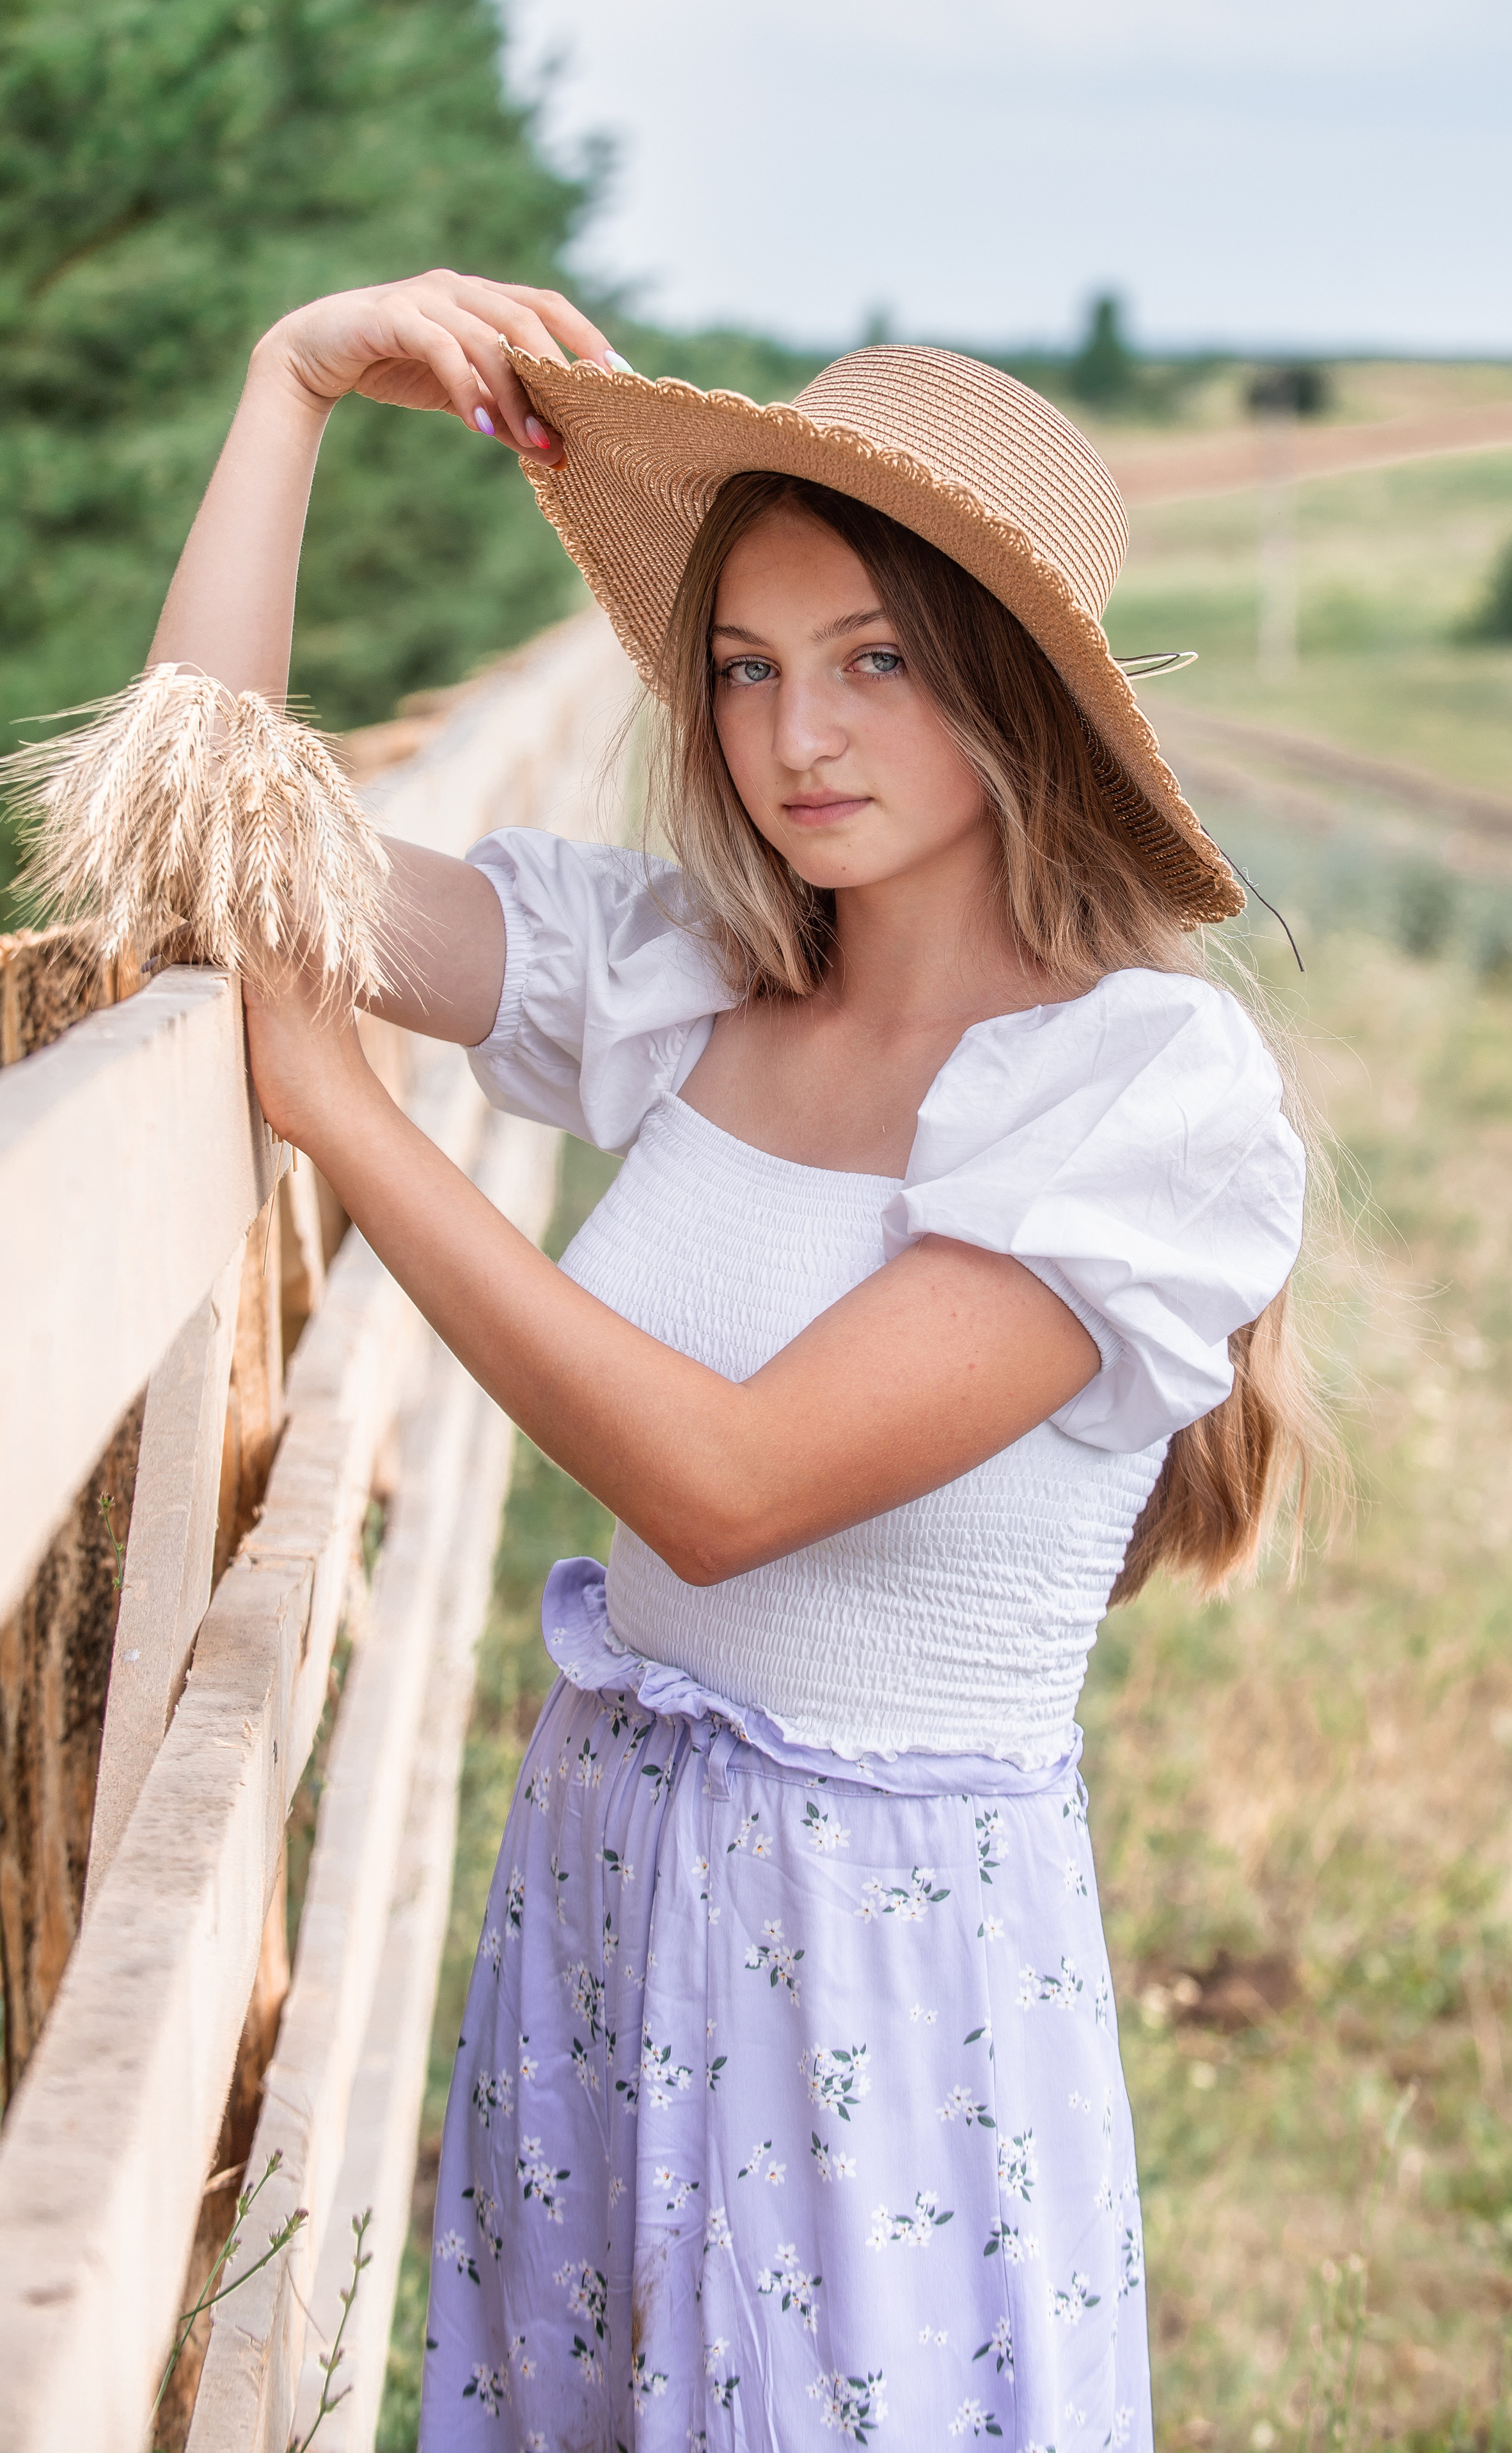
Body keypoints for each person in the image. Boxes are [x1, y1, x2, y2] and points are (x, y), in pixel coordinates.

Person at [150, 270, 1325, 2450]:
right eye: (748, 668)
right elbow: (210, 846)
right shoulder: (688, 972)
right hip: (609, 1877)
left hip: (880, 1960)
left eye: (878, 661)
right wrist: (285, 387)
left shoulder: (1140, 1091)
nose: (798, 740)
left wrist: (350, 1121)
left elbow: (728, 1484)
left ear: (1015, 692)